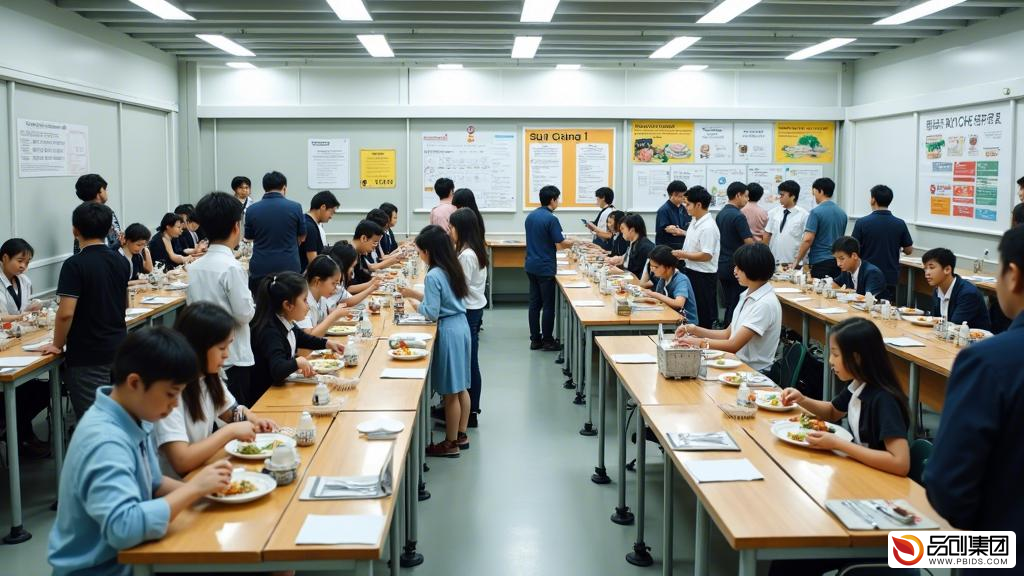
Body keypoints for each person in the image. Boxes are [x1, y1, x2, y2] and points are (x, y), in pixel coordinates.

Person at [47, 327, 233, 576]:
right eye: (170, 394)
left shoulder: (134, 416)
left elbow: (154, 483)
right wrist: (194, 489)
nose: (175, 404)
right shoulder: (104, 440)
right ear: (134, 382)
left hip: (134, 559)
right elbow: (123, 528)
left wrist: (212, 493)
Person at [926, 226, 1024, 549]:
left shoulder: (988, 362)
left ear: (1013, 275)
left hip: (1002, 548)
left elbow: (947, 487)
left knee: (913, 550)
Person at [156, 303, 276, 478]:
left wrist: (254, 420)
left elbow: (231, 411)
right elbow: (181, 461)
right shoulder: (170, 390)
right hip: (179, 485)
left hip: (200, 473)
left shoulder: (208, 376)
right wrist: (231, 431)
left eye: (229, 346)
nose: (227, 354)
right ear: (198, 346)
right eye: (221, 348)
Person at [782, 318, 910, 472]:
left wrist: (838, 444)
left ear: (856, 358)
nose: (830, 361)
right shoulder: (859, 383)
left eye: (835, 355)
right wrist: (802, 399)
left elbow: (900, 463)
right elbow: (832, 411)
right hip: (862, 469)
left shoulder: (884, 399)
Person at [42, 203, 130, 418]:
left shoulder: (75, 264)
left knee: (94, 421)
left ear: (75, 230)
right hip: (119, 348)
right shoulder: (120, 260)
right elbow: (126, 303)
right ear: (110, 229)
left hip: (88, 355)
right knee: (118, 416)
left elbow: (65, 313)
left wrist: (57, 344)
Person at [399, 225, 472, 457]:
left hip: (448, 330)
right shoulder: (452, 268)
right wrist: (413, 294)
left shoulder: (432, 275)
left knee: (450, 393)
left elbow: (431, 311)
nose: (420, 256)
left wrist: (414, 305)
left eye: (420, 251)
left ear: (428, 252)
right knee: (461, 387)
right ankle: (461, 434)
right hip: (461, 325)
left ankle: (450, 444)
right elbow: (445, 299)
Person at [188, 192, 257, 405]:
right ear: (236, 227)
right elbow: (244, 314)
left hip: (203, 354)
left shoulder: (194, 267)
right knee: (234, 412)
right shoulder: (232, 267)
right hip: (233, 355)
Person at [674, 243, 780, 373]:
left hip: (753, 372)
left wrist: (698, 342)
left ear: (753, 269)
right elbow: (727, 334)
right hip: (737, 363)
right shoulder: (747, 294)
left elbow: (733, 345)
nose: (735, 271)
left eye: (739, 268)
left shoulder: (765, 303)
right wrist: (694, 329)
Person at [249, 272, 342, 402]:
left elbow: (302, 338)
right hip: (265, 398)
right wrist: (297, 362)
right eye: (304, 300)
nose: (307, 306)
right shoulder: (270, 331)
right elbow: (277, 369)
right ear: (288, 305)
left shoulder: (284, 321)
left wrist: (326, 343)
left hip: (281, 390)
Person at [0, 238, 50, 459]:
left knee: (41, 389)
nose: (23, 266)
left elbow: (24, 306)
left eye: (27, 262)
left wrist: (34, 307)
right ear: (4, 258)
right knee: (22, 390)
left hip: (20, 341)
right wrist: (23, 315)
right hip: (5, 344)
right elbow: (2, 317)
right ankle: (18, 435)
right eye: (19, 261)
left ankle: (16, 432)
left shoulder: (24, 280)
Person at [524, 185, 575, 351]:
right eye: (557, 199)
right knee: (548, 305)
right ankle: (547, 340)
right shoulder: (551, 219)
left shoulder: (530, 216)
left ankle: (535, 340)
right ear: (552, 200)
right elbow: (560, 242)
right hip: (545, 267)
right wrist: (576, 241)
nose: (558, 202)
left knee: (534, 304)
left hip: (531, 265)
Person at [450, 208, 487, 428]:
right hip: (474, 309)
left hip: (468, 311)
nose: (450, 231)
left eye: (452, 227)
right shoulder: (475, 249)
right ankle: (469, 409)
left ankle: (469, 411)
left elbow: (458, 287)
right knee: (471, 360)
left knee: (469, 362)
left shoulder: (466, 255)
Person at [244, 171, 305, 291]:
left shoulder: (251, 210)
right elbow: (302, 236)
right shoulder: (295, 207)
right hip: (289, 266)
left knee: (262, 305)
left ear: (264, 188)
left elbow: (249, 237)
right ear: (284, 188)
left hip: (261, 268)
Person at [850, 184, 913, 301]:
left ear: (873, 199)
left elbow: (853, 249)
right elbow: (909, 250)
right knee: (886, 309)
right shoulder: (900, 223)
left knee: (865, 306)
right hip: (890, 275)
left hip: (867, 274)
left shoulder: (862, 223)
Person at [673, 186, 720, 329]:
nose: (685, 206)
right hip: (691, 271)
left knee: (703, 313)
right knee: (692, 311)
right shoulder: (695, 221)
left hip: (703, 276)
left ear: (698, 205)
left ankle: (705, 345)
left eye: (688, 204)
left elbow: (706, 255)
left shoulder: (708, 227)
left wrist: (683, 254)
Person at [921, 247, 991, 329]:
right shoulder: (937, 290)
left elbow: (955, 327)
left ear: (947, 269)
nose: (927, 273)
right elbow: (935, 321)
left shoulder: (968, 294)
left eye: (931, 268)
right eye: (925, 269)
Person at [716, 182, 755, 326]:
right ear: (738, 195)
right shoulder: (738, 216)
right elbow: (749, 242)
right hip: (736, 266)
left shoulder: (721, 214)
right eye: (745, 196)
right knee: (737, 302)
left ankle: (727, 329)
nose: (746, 200)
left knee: (730, 302)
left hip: (722, 264)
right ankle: (731, 333)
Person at [793, 177, 847, 279]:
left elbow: (808, 240)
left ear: (820, 191)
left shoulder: (816, 212)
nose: (814, 196)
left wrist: (797, 260)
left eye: (815, 193)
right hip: (837, 262)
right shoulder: (842, 213)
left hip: (820, 261)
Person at [297, 255, 353, 337]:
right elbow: (308, 337)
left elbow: (322, 324)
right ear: (317, 282)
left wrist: (338, 313)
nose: (336, 289)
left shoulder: (321, 298)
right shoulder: (302, 300)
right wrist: (334, 315)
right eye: (333, 283)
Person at [644, 245, 697, 323]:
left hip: (685, 325)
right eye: (651, 267)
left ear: (668, 267)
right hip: (669, 318)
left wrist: (654, 294)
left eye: (655, 267)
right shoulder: (662, 278)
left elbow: (679, 303)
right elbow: (658, 300)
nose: (652, 270)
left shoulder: (681, 279)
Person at [72, 173, 122, 254]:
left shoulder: (80, 212)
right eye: (105, 189)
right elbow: (114, 241)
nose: (106, 192)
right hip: (106, 258)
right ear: (100, 191)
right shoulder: (105, 212)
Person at [763, 180, 808, 267]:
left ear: (792, 196)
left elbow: (806, 241)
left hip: (793, 263)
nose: (779, 197)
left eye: (782, 195)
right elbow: (767, 235)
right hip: (773, 261)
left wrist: (798, 261)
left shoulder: (804, 215)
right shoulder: (774, 212)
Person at [324, 241, 381, 308]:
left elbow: (349, 299)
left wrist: (372, 286)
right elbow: (346, 302)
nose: (352, 270)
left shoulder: (340, 278)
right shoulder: (333, 280)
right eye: (352, 266)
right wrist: (371, 287)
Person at [300, 190, 340, 271]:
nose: (331, 216)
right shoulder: (310, 227)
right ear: (323, 207)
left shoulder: (306, 221)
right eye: (331, 212)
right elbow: (313, 262)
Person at [655, 181, 690, 256]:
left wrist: (682, 231)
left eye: (684, 196)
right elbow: (666, 230)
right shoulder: (663, 210)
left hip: (683, 249)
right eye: (681, 196)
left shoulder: (684, 208)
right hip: (668, 251)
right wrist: (673, 230)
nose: (684, 199)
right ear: (673, 195)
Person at [618, 214, 655, 280]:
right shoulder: (633, 243)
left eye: (623, 228)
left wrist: (620, 272)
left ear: (631, 230)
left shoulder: (645, 247)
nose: (621, 231)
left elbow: (637, 273)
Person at [351, 219, 386, 285]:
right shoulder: (349, 254)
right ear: (364, 238)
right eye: (374, 242)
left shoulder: (359, 252)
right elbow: (348, 288)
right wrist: (372, 284)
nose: (375, 247)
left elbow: (362, 274)